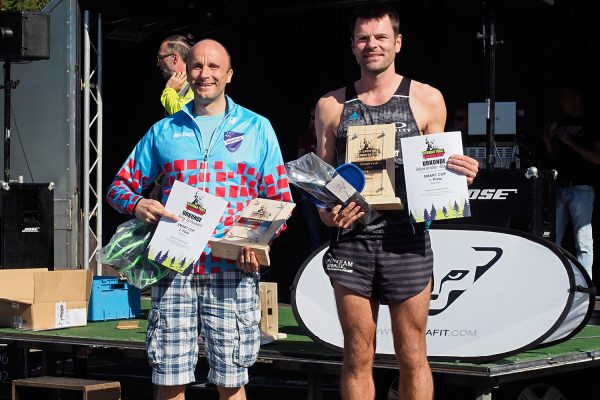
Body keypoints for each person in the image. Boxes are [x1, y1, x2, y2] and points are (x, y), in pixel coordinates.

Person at [107, 39, 292, 400]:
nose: (204, 74)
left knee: (231, 381)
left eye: (213, 67)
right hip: (173, 269)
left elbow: (279, 200)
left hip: (231, 270)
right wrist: (139, 204)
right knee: (169, 378)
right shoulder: (164, 130)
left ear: (229, 74)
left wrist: (258, 242)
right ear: (185, 71)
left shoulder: (257, 128)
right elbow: (119, 186)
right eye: (196, 67)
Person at [314, 4, 479, 400]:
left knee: (412, 353)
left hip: (407, 241)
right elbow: (321, 182)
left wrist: (461, 174)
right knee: (357, 354)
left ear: (398, 42)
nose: (372, 45)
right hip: (352, 241)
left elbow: (437, 174)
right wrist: (327, 213)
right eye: (363, 38)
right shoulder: (331, 105)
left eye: (381, 37)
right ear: (352, 46)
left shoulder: (427, 99)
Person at [543, 82, 600, 279]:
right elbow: (553, 160)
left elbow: (596, 158)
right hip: (560, 186)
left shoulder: (590, 123)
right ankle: (555, 281)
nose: (561, 102)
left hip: (581, 187)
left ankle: (584, 286)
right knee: (553, 238)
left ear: (577, 99)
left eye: (564, 97)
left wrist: (571, 142)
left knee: (582, 240)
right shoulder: (560, 124)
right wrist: (548, 142)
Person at [157, 34, 195, 115]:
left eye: (160, 58)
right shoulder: (184, 84)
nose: (158, 63)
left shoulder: (196, 83)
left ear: (174, 58)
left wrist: (169, 91)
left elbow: (182, 114)